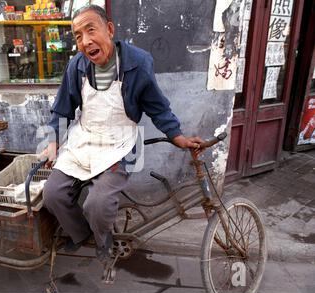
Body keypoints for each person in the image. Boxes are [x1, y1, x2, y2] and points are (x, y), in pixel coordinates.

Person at [41, 5, 203, 267]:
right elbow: (63, 108)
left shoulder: (138, 63)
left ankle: (104, 239)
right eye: (78, 36)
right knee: (52, 195)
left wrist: (177, 136)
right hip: (85, 139)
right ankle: (81, 234)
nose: (85, 41)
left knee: (98, 203)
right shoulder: (77, 66)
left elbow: (156, 105)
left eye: (90, 30)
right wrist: (52, 144)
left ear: (110, 29)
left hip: (121, 142)